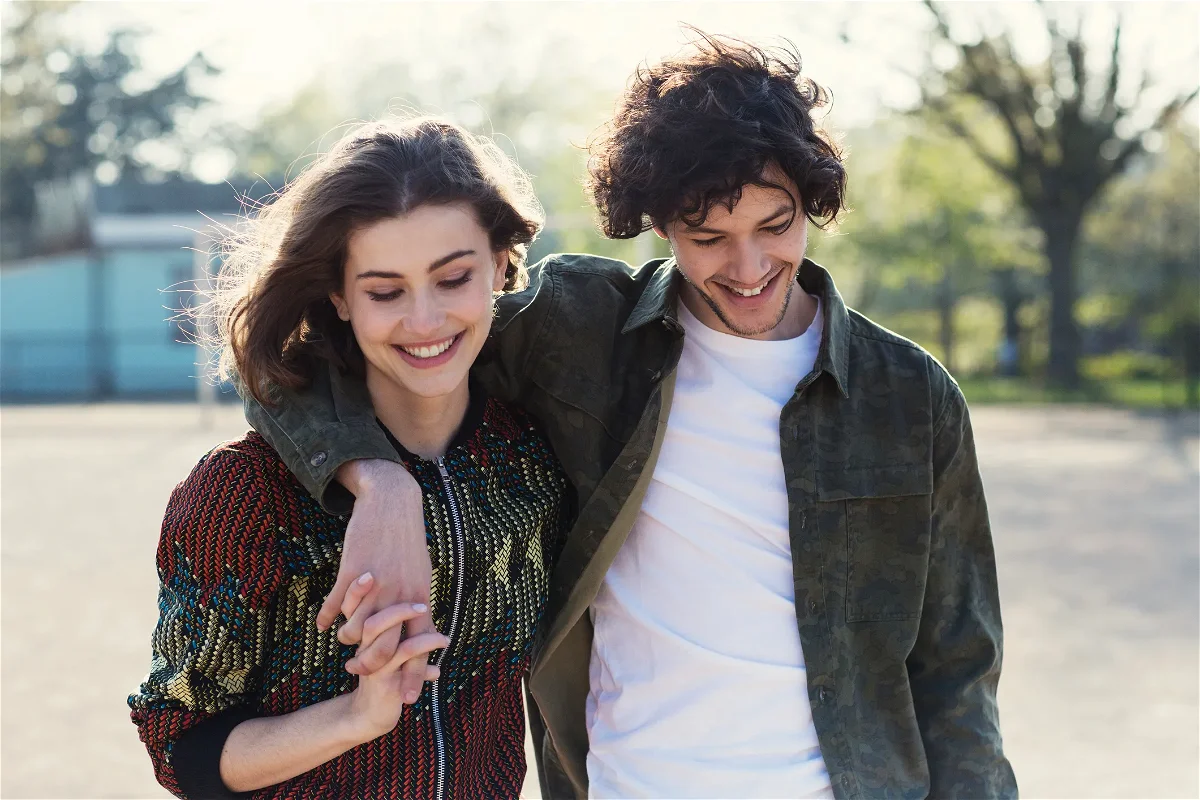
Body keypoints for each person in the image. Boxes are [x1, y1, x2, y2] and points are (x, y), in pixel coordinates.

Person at [247, 33, 1018, 799]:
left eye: (775, 227)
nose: (748, 269)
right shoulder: (578, 332)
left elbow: (958, 664)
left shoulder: (909, 395)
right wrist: (380, 485)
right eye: (708, 238)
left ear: (812, 203)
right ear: (659, 223)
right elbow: (298, 358)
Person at [128, 117, 571, 799]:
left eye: (453, 278)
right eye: (385, 291)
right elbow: (182, 750)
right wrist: (356, 717)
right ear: (339, 296)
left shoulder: (533, 456)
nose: (424, 321)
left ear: (502, 265)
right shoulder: (243, 491)